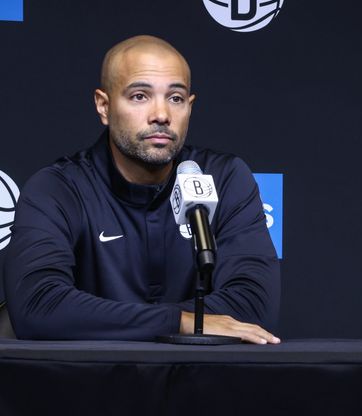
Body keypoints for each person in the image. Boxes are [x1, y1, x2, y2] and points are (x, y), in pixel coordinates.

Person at [3, 35, 280, 344]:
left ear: (190, 106)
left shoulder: (225, 178)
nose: (161, 115)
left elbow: (254, 305)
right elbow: (38, 306)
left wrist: (112, 320)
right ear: (104, 106)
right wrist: (179, 322)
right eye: (139, 96)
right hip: (88, 386)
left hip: (200, 386)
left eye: (175, 98)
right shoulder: (57, 188)